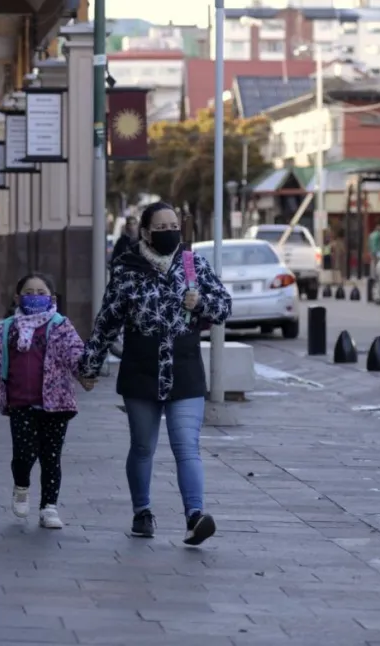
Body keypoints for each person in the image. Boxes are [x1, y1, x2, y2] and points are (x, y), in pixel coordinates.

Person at [78, 201, 232, 547]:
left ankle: (195, 516)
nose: (169, 232)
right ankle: (142, 512)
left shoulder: (193, 264)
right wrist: (89, 364)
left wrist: (200, 303)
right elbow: (108, 321)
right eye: (160, 228)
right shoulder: (126, 268)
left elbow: (224, 306)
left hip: (184, 368)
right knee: (143, 447)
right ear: (145, 232)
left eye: (173, 225)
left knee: (186, 447)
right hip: (141, 368)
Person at [0, 273, 89, 529]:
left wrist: (86, 371)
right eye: (29, 292)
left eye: (41, 292)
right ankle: (21, 485)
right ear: (18, 297)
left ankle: (49, 507)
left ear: (52, 297)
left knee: (51, 457)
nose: (35, 297)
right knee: (24, 454)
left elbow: (75, 353)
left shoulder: (61, 325)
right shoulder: (7, 329)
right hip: (21, 403)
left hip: (57, 404)